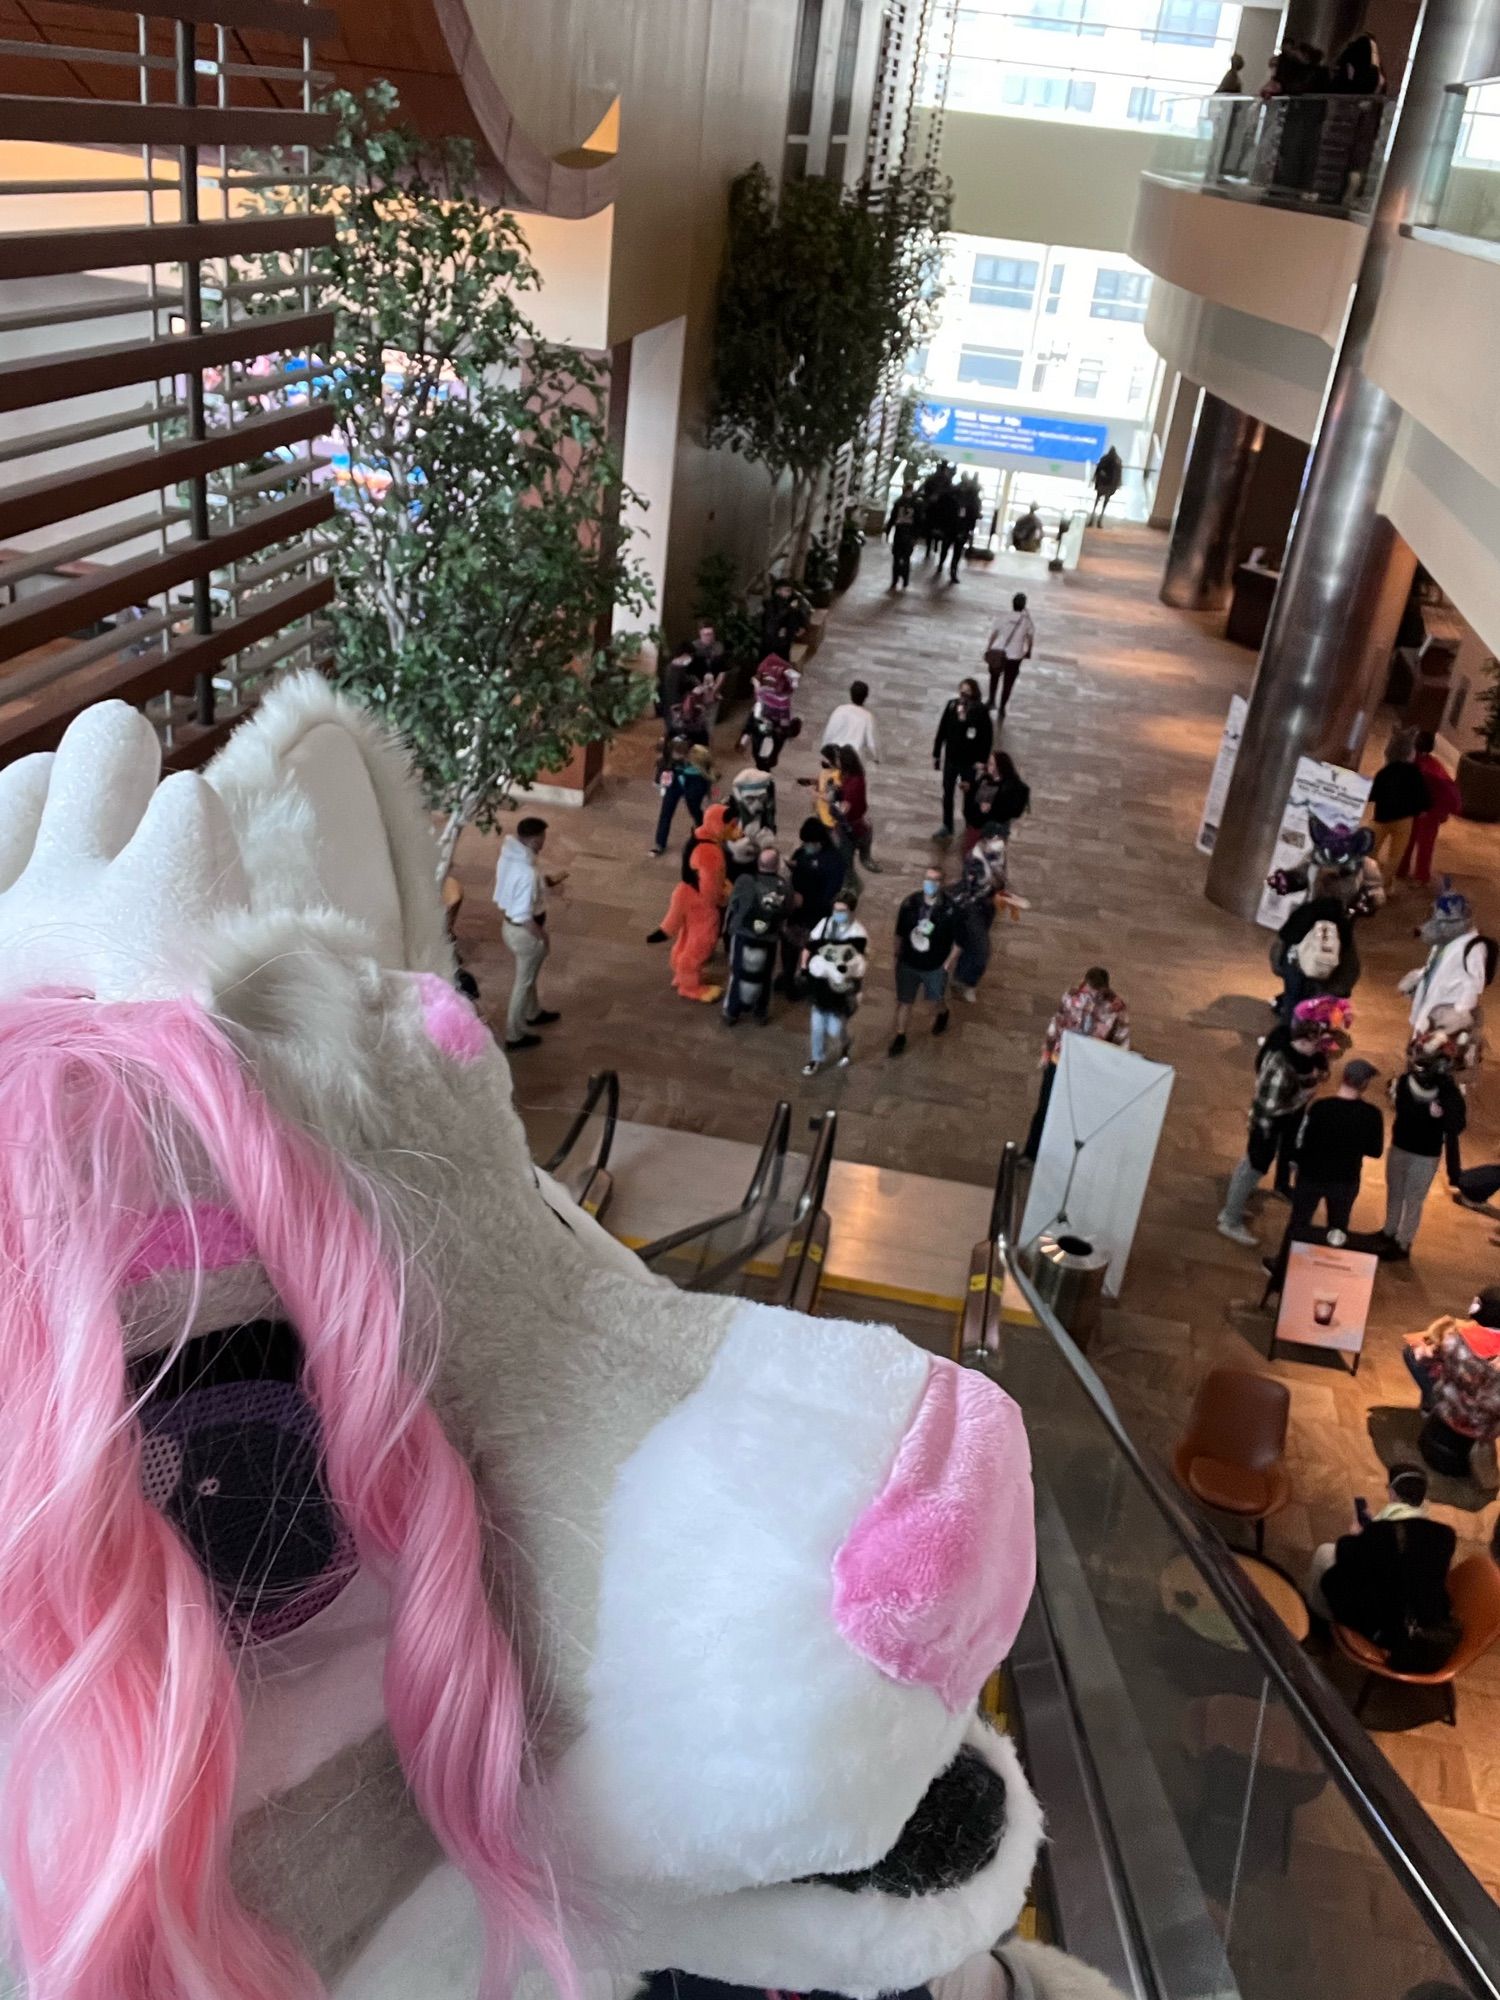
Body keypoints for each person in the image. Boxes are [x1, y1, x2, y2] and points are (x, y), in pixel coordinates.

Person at [1306, 1466, 1459, 1673]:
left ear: (1392, 1492)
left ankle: (1318, 1626)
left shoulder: (1381, 1532)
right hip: (1428, 1621)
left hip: (1388, 1630)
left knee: (1325, 1554)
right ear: (1422, 1499)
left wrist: (1357, 1535)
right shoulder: (1445, 1535)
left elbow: (1348, 1558)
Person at [1216, 1000, 1339, 1246]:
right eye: (1316, 1045)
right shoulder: (1283, 1065)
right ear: (1303, 1040)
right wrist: (1304, 1095)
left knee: (1249, 1166)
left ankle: (1233, 1207)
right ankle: (1230, 1219)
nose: (1318, 1051)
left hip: (1271, 1126)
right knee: (1253, 1168)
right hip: (1266, 1126)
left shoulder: (1294, 1053)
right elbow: (1271, 1106)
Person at [1267, 1056, 1384, 1284]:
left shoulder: (1321, 1107)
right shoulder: (1371, 1115)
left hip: (1311, 1176)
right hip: (1345, 1179)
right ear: (1364, 1084)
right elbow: (1375, 1150)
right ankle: (1329, 1272)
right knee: (1337, 1228)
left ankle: (1282, 1270)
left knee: (1299, 1223)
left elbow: (1302, 1141)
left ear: (1344, 1079)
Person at [1023, 968, 1131, 1161]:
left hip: (1090, 1067)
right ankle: (1031, 1153)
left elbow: (1122, 1039)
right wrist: (1047, 1052)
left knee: (1076, 1115)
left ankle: (1062, 1158)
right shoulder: (1072, 995)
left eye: (1096, 995)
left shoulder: (1117, 1007)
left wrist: (1113, 1070)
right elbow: (1057, 1021)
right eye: (1088, 991)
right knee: (1045, 1107)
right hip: (1061, 1060)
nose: (1090, 997)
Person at [1380, 1031, 1469, 1260]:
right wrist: (1429, 1114)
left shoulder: (1450, 1091)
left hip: (1426, 1154)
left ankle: (1403, 1242)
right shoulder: (1404, 1082)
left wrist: (1444, 1109)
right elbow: (1403, 1110)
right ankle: (1388, 1232)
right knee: (1395, 1192)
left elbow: (1456, 1126)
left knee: (1414, 1198)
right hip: (1402, 1145)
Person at [1404, 1290, 1500, 1487]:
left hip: (1451, 1410)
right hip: (1484, 1425)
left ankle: (1429, 1406)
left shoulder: (1455, 1338)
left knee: (1411, 1354)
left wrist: (1422, 1346)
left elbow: (1423, 1357)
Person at [648, 802, 735, 1003]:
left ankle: (682, 972)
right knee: (701, 943)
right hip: (702, 902)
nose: (735, 830)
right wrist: (722, 899)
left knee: (686, 936)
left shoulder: (698, 836)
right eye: (731, 825)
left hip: (687, 892)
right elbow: (711, 885)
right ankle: (690, 985)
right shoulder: (710, 853)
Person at [493, 815, 565, 1051]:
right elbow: (523, 915)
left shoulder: (510, 855)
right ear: (534, 839)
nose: (544, 841)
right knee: (523, 983)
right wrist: (541, 936)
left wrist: (543, 883)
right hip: (525, 933)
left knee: (529, 976)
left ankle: (533, 1013)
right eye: (543, 837)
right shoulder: (527, 872)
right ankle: (514, 1034)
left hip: (509, 929)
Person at [1400, 888, 1497, 1037]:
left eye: (1442, 923)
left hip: (1447, 1021)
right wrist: (1419, 978)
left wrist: (1458, 1014)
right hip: (1430, 1012)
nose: (1436, 927)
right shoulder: (1443, 943)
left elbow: (1474, 985)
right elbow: (1436, 969)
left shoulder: (1474, 948)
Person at [889, 864, 958, 1056]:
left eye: (935, 880)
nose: (930, 883)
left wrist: (948, 963)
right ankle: (900, 1036)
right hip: (909, 963)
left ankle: (942, 1013)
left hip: (934, 966)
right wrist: (896, 956)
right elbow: (899, 933)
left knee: (935, 1000)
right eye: (928, 879)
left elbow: (959, 941)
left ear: (942, 883)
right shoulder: (911, 904)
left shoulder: (949, 909)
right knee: (905, 1001)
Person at [1275, 865, 1356, 1017]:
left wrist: (1280, 963)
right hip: (1325, 971)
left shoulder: (1307, 911)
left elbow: (1287, 936)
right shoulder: (1342, 918)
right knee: (1312, 1007)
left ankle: (1289, 1032)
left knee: (1293, 999)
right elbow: (1346, 945)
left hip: (1298, 965)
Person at [723, 844, 791, 1026]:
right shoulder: (783, 887)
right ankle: (761, 1012)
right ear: (776, 866)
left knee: (738, 973)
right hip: (768, 938)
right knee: (765, 976)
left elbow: (733, 905)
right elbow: (786, 911)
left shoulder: (745, 881)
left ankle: (732, 1012)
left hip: (744, 934)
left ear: (758, 862)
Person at [803, 889, 868, 1075]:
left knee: (835, 1028)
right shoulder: (824, 925)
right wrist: (804, 967)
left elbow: (858, 965)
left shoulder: (858, 934)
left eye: (842, 910)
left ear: (851, 912)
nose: (837, 914)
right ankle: (816, 1059)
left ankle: (845, 1043)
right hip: (821, 985)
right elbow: (810, 946)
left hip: (842, 989)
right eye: (836, 909)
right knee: (816, 1027)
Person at [783, 817, 847, 996]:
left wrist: (806, 901)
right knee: (789, 946)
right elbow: (798, 861)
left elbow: (829, 895)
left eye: (809, 843)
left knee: (810, 950)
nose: (805, 846)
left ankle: (805, 981)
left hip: (815, 915)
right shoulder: (804, 851)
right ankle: (788, 977)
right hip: (796, 912)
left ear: (819, 842)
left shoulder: (834, 862)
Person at [932, 677, 993, 842]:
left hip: (969, 762)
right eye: (961, 691)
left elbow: (986, 738)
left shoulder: (980, 711)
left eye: (967, 691)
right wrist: (937, 753)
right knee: (947, 793)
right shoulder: (952, 706)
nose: (963, 694)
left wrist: (983, 761)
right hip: (952, 759)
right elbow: (942, 730)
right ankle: (947, 825)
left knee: (969, 794)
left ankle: (969, 824)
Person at [1365, 730, 1431, 884]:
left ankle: (1369, 878)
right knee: (1395, 855)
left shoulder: (1384, 772)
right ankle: (1385, 882)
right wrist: (1422, 809)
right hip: (1404, 819)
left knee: (1371, 849)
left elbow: (1373, 795)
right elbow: (1422, 795)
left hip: (1381, 817)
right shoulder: (1415, 772)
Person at [951, 832, 1010, 1003]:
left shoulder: (997, 853)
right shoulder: (974, 859)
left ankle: (960, 977)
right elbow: (975, 886)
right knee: (982, 950)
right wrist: (994, 876)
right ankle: (969, 983)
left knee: (971, 944)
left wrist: (1000, 883)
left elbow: (1000, 882)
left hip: (987, 907)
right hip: (972, 908)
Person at [1398, 733, 1463, 887]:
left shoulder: (1421, 767)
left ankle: (1416, 875)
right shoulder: (1433, 766)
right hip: (1426, 811)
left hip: (1426, 811)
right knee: (1420, 842)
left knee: (1416, 841)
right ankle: (1410, 872)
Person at [651, 739, 712, 857]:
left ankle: (704, 834)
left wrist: (705, 793)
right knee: (666, 812)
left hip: (693, 784)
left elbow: (707, 776)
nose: (676, 757)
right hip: (674, 784)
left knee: (694, 810)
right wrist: (662, 787)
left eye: (680, 754)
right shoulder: (666, 761)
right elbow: (662, 774)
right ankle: (660, 843)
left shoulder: (698, 759)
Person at [962, 749, 1030, 852]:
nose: (988, 766)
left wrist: (990, 808)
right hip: (975, 825)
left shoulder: (1008, 787)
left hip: (992, 831)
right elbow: (975, 795)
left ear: (999, 767)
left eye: (991, 764)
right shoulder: (985, 778)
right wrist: (970, 789)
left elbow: (1007, 811)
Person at [743, 652, 800, 771]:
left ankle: (767, 764)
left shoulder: (782, 699)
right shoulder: (762, 690)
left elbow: (784, 720)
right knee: (757, 751)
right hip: (762, 722)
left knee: (768, 755)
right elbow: (757, 706)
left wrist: (779, 729)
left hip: (774, 727)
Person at [832, 743, 878, 883]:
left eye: (838, 759)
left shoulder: (853, 785)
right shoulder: (856, 776)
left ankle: (850, 883)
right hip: (860, 823)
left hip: (850, 827)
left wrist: (830, 805)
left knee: (845, 859)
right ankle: (865, 858)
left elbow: (843, 811)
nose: (836, 761)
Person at [984, 593, 1036, 716]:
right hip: (1015, 656)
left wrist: (989, 648)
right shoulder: (1026, 621)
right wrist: (1029, 650)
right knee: (1008, 682)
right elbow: (1030, 636)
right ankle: (1002, 706)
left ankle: (991, 700)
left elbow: (994, 634)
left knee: (994, 677)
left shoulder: (1004, 617)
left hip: (999, 651)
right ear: (1024, 606)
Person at [821, 678, 880, 764]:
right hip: (853, 758)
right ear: (865, 696)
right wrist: (876, 757)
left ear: (850, 694)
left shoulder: (839, 709)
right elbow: (871, 742)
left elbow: (829, 731)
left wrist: (824, 747)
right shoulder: (867, 716)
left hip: (835, 754)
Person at [761, 577, 810, 661]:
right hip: (773, 643)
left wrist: (800, 627)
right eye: (786, 591)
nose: (788, 594)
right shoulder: (771, 604)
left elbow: (801, 613)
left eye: (790, 591)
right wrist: (789, 608)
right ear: (777, 591)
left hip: (784, 642)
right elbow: (773, 620)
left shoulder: (789, 602)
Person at [945, 475, 982, 582]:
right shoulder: (971, 501)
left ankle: (951, 569)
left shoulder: (962, 497)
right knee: (956, 551)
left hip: (957, 528)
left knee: (952, 549)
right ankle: (952, 570)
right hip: (960, 528)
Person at [885, 482, 919, 590]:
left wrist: (888, 531)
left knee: (896, 557)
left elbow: (892, 518)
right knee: (907, 557)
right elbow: (919, 521)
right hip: (910, 532)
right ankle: (905, 579)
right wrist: (916, 536)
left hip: (899, 532)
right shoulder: (916, 503)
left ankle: (895, 580)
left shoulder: (898, 502)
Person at [1089, 447, 1123, 526]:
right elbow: (1118, 474)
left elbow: (1098, 470)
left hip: (1103, 484)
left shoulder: (1105, 459)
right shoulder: (1117, 461)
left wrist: (1095, 479)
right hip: (1109, 485)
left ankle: (1093, 519)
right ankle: (1099, 520)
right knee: (1104, 502)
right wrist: (1118, 484)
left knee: (1097, 501)